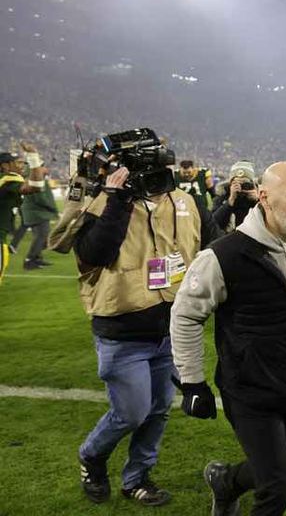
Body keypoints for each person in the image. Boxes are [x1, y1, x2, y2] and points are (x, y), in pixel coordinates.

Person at [170, 161, 286, 516]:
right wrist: (192, 381)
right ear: (265, 198)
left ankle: (225, 482)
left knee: (285, 467)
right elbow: (186, 315)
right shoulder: (223, 255)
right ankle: (233, 485)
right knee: (278, 484)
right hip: (248, 387)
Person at [69, 152, 220, 506]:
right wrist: (117, 200)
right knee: (131, 412)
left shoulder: (187, 202)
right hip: (123, 332)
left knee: (158, 409)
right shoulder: (104, 202)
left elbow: (214, 246)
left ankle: (136, 478)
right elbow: (93, 254)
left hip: (169, 331)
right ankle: (92, 455)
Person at [7, 143, 56, 270]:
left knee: (40, 235)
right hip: (37, 212)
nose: (45, 169)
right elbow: (39, 197)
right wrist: (51, 208)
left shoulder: (32, 175)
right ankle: (30, 260)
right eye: (42, 166)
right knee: (42, 236)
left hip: (34, 211)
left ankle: (37, 258)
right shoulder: (35, 177)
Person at [0, 150, 47, 283]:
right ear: (5, 166)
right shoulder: (8, 180)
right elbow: (35, 186)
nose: (21, 166)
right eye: (16, 163)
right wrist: (33, 158)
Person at [212, 161, 259, 232]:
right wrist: (230, 201)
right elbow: (214, 223)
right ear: (230, 183)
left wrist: (258, 201)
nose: (241, 186)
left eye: (245, 183)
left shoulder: (258, 196)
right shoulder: (223, 195)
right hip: (227, 236)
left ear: (252, 183)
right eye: (237, 183)